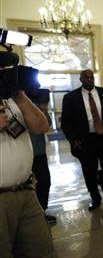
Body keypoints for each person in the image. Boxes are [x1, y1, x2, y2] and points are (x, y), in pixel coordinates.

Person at [0, 52, 53, 258]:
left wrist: (19, 94)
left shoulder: (14, 99)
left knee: (35, 248)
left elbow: (41, 126)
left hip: (26, 189)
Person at [61, 69, 103, 210]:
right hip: (85, 139)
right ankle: (95, 197)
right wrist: (73, 139)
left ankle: (102, 178)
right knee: (89, 171)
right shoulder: (70, 97)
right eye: (86, 78)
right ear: (80, 80)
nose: (89, 80)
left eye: (91, 77)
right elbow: (66, 122)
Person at [30, 93, 57, 225]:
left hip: (39, 152)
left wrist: (43, 109)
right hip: (25, 153)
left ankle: (42, 211)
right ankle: (31, 216)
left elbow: (48, 125)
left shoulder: (36, 106)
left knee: (45, 181)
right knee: (28, 186)